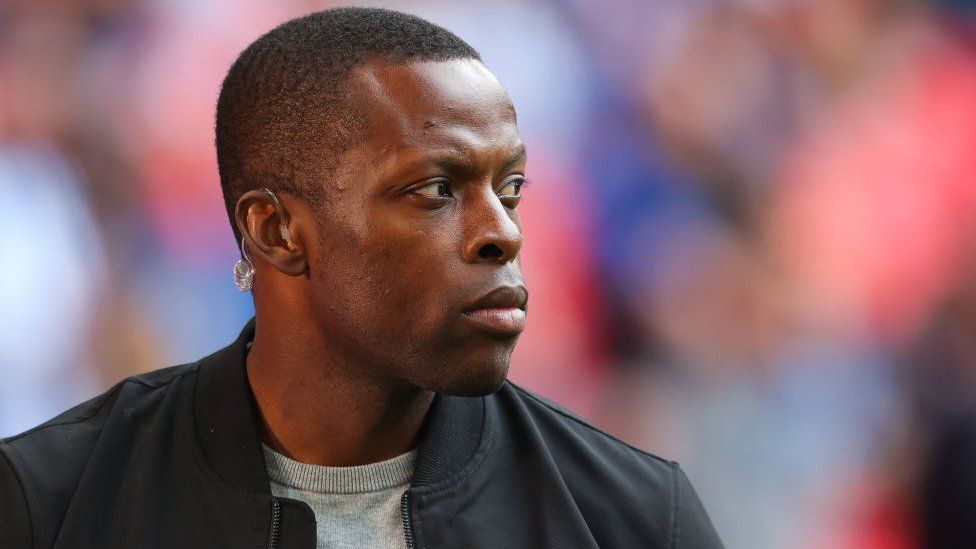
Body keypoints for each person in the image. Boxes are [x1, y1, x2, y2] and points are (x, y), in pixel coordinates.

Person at [0, 8, 723, 548]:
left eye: (510, 188)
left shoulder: (631, 516)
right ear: (277, 231)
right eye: (435, 188)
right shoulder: (51, 502)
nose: (503, 232)